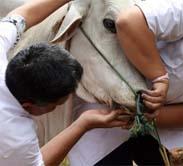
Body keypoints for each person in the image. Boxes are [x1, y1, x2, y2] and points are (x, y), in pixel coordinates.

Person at [67, 0, 183, 165]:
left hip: (165, 122)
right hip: (107, 108)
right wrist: (159, 77)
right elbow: (129, 21)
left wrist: (145, 116)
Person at [0, 0, 128, 165]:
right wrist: (83, 124)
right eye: (56, 104)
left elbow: (23, 14)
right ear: (28, 106)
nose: (57, 107)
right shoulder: (14, 133)